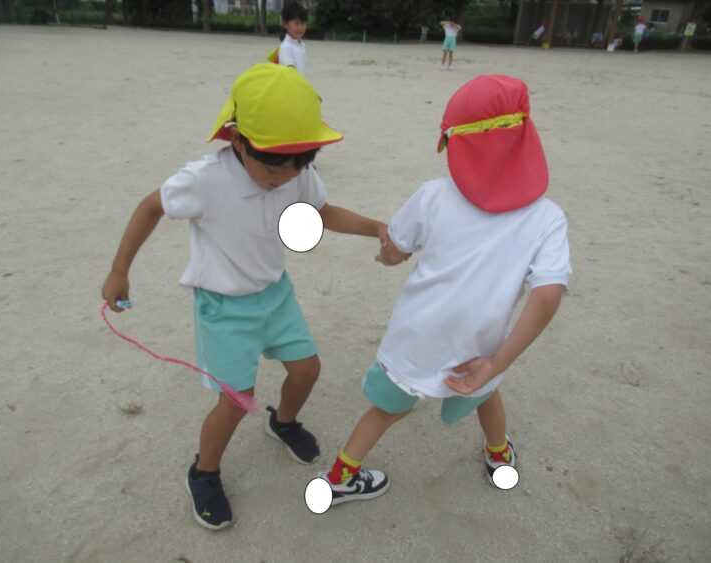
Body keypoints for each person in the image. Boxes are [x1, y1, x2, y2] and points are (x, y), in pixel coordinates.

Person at [101, 64, 388, 529]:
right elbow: (151, 206)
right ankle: (204, 472)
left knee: (307, 369)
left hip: (275, 294)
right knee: (237, 400)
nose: (284, 178)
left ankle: (284, 422)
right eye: (273, 167)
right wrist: (120, 270)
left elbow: (323, 211)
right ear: (237, 140)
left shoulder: (294, 173)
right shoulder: (204, 180)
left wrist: (377, 228)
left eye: (299, 165)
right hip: (224, 309)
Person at [318, 75, 572, 505]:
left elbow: (397, 249)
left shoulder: (433, 196)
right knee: (485, 388)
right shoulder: (547, 218)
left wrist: (386, 255)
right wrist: (496, 361)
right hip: (480, 346)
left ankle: (341, 475)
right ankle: (498, 455)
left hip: (416, 337)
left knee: (386, 410)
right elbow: (547, 295)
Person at [268, 1, 309, 76]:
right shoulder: (286, 47)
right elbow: (290, 72)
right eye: (296, 23)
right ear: (285, 24)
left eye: (303, 23)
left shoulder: (300, 44)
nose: (300, 27)